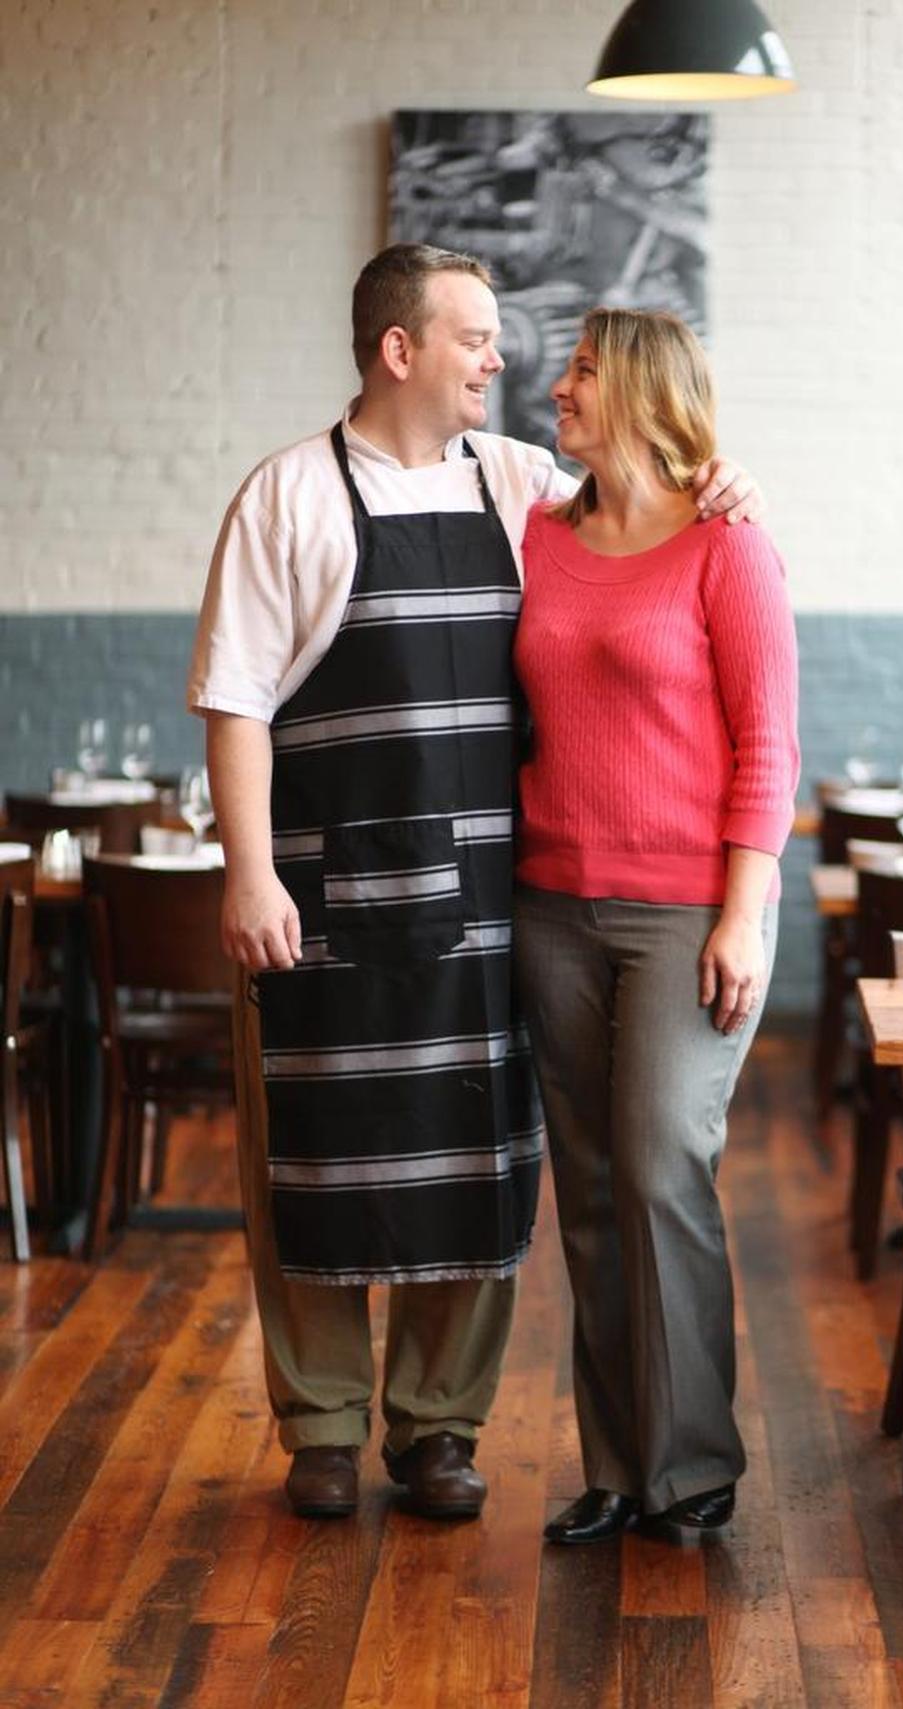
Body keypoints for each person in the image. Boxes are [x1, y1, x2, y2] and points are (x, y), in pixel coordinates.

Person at [187, 244, 764, 1523]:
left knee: (475, 1157)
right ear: (402, 351)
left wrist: (722, 479)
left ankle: (439, 1429)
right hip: (318, 894)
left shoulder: (520, 487)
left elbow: (649, 516)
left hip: (489, 904)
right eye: (476, 339)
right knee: (317, 1157)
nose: (500, 362)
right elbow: (233, 705)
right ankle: (324, 1424)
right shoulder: (284, 496)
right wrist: (247, 876)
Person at [513, 308, 800, 1544]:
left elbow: (769, 745)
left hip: (689, 913)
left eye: (579, 370)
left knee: (657, 1163)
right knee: (584, 1185)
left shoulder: (727, 544)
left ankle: (692, 1464)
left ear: (633, 390)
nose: (556, 387)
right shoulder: (536, 529)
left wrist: (743, 911)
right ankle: (620, 1466)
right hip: (550, 906)